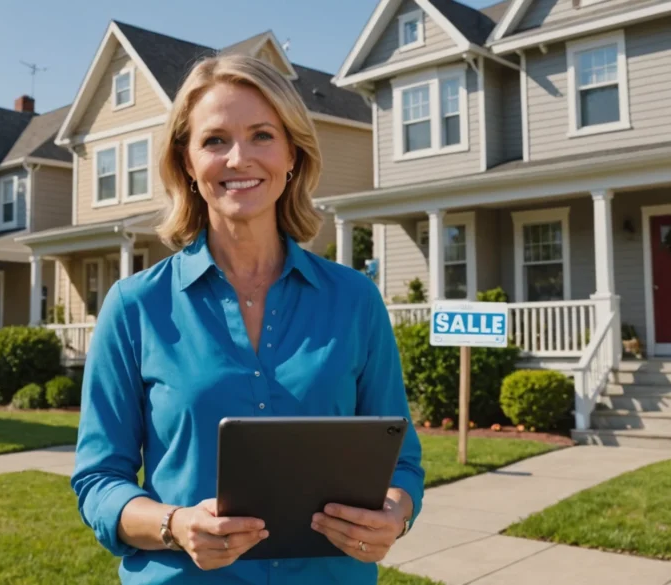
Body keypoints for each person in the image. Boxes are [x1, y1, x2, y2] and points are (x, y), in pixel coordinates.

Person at [71, 53, 424, 585]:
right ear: (186, 163)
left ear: (292, 156)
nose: (239, 158)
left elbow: (402, 464)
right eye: (214, 140)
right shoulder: (133, 306)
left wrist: (395, 515)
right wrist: (175, 524)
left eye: (262, 135)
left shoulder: (355, 300)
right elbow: (100, 480)